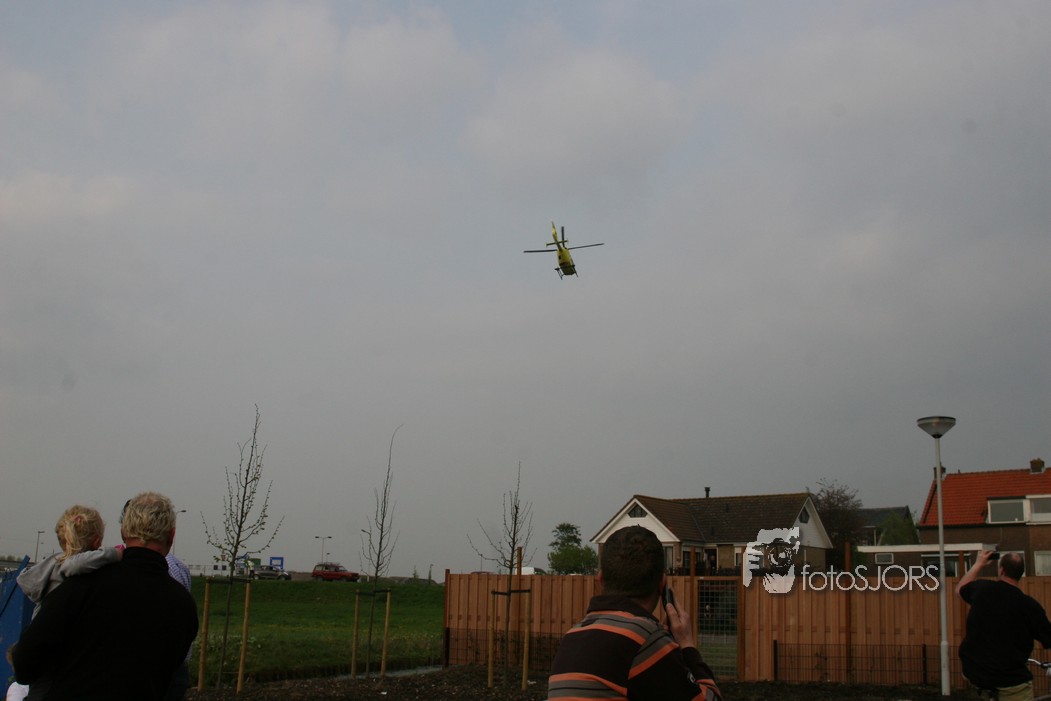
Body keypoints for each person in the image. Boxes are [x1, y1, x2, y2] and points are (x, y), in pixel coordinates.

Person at [11, 492, 199, 701]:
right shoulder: (184, 606)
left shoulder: (81, 585)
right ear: (171, 536)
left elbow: (25, 662)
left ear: (123, 532)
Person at [547, 525, 722, 701]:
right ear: (662, 584)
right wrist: (686, 644)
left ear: (600, 579)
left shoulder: (570, 639)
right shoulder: (646, 639)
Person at [10, 505, 122, 701]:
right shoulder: (69, 568)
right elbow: (74, 564)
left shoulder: (52, 565)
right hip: (56, 665)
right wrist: (115, 554)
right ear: (97, 542)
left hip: (41, 659)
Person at [956, 550, 1051, 701]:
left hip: (976, 675)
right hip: (1010, 683)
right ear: (1021, 574)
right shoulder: (1029, 606)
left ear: (1001, 570)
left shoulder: (982, 589)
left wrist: (978, 564)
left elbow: (960, 589)